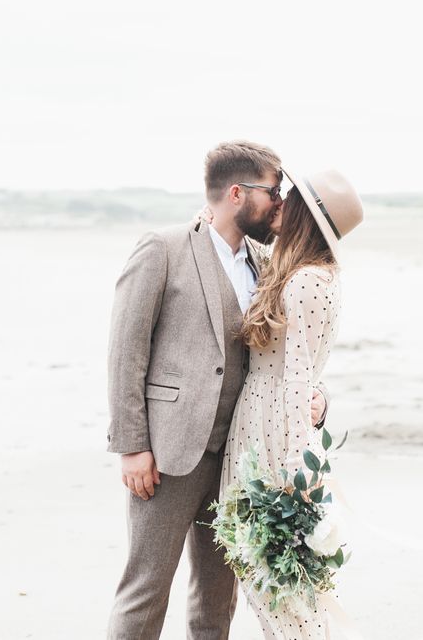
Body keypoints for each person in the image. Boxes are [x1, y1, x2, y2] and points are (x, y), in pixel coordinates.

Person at [105, 141, 329, 639]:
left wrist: (317, 398)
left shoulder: (265, 263)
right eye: (273, 190)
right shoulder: (162, 248)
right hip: (167, 455)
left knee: (216, 599)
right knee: (145, 591)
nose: (279, 202)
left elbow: (285, 354)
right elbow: (125, 352)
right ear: (236, 193)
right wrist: (132, 446)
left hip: (238, 459)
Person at [220, 169, 363, 638]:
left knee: (277, 583)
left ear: (303, 213)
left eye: (289, 198)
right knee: (266, 577)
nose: (277, 202)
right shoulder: (298, 271)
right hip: (262, 415)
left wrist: (294, 465)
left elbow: (301, 372)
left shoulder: (306, 281)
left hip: (274, 427)